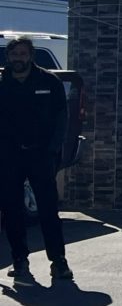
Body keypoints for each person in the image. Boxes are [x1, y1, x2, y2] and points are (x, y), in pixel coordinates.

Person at [0, 37, 74, 281]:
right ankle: (20, 260)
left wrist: (52, 150)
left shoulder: (48, 81)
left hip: (40, 154)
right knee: (12, 210)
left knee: (47, 210)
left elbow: (62, 117)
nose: (17, 58)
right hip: (10, 156)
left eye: (22, 54)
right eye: (14, 54)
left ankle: (58, 261)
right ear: (8, 57)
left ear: (30, 56)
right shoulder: (3, 82)